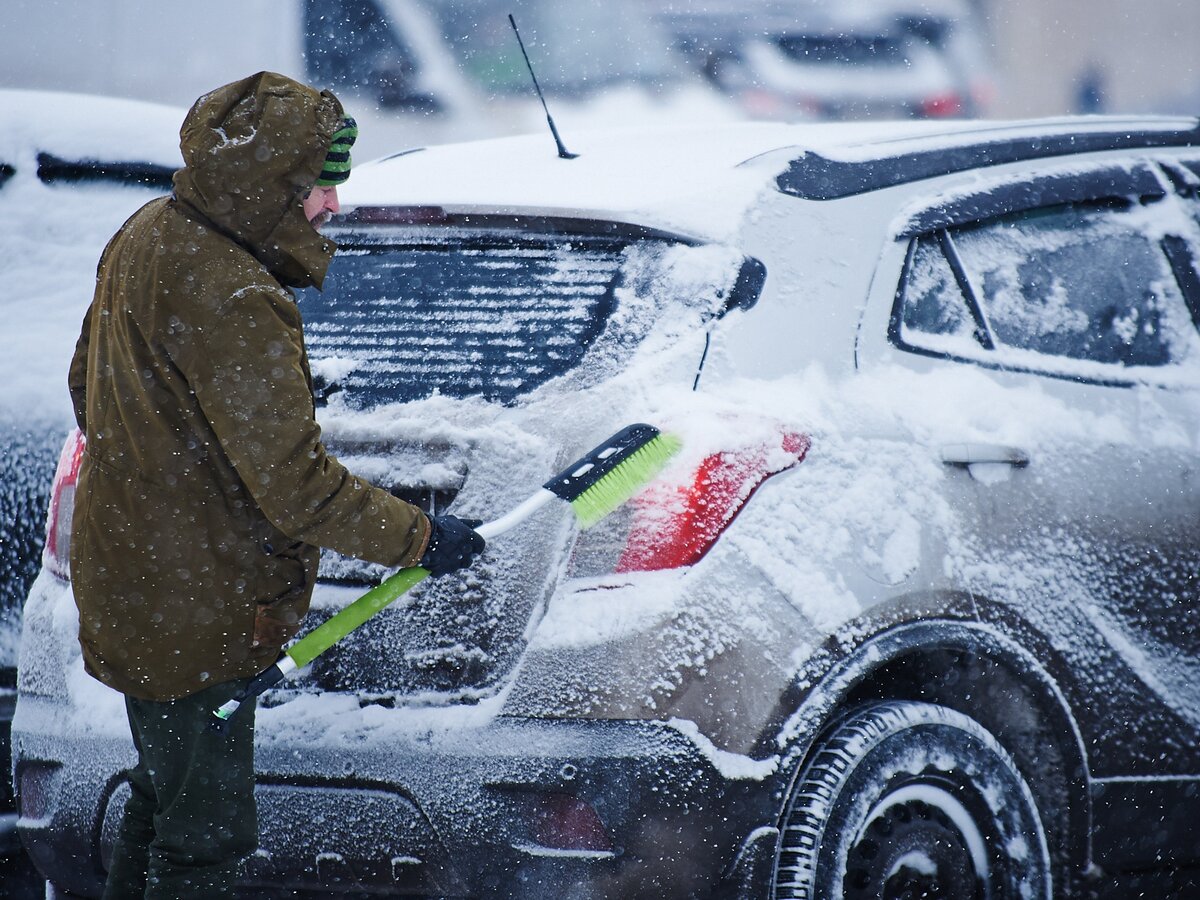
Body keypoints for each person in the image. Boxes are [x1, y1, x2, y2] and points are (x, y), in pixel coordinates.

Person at [67, 71, 484, 898]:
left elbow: (87, 384)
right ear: (269, 187)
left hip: (134, 584)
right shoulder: (238, 294)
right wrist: (423, 538)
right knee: (208, 841)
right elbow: (299, 490)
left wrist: (173, 467)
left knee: (165, 799)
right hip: (199, 607)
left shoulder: (148, 232)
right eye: (320, 186)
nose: (332, 206)